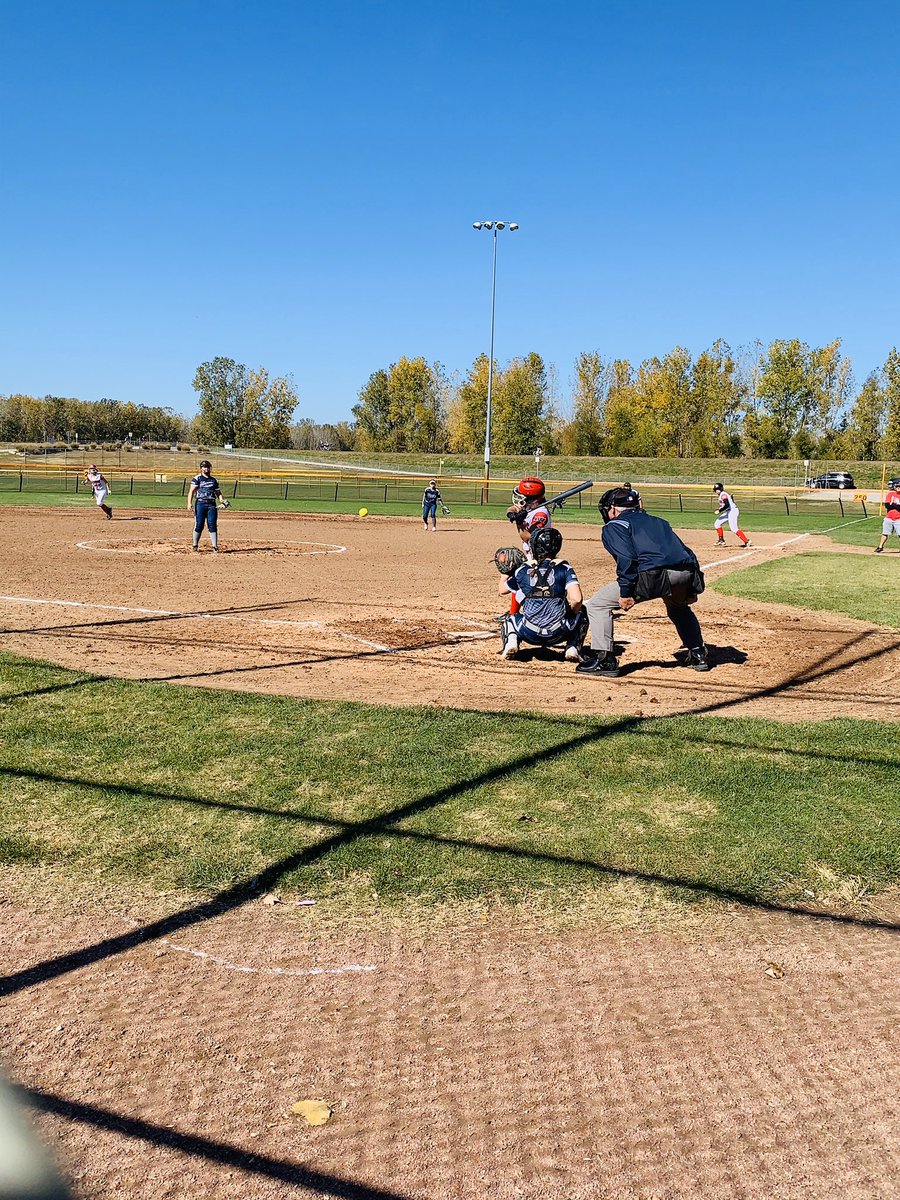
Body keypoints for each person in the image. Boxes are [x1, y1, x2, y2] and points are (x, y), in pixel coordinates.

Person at [577, 487, 710, 677]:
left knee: (598, 604)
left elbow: (626, 559)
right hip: (685, 574)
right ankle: (698, 654)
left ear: (613, 509)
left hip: (653, 576)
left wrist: (625, 592)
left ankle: (605, 660)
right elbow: (686, 552)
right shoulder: (659, 521)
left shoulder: (614, 526)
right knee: (679, 607)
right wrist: (692, 589)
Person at [498, 527, 587, 663]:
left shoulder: (523, 570)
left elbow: (503, 590)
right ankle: (572, 647)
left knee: (509, 618)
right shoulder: (565, 568)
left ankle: (511, 642)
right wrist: (571, 613)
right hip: (559, 632)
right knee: (583, 612)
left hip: (529, 632)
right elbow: (577, 599)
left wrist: (506, 573)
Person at [187, 459, 225, 553]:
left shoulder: (214, 480)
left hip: (211, 504)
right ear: (201, 468)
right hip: (200, 503)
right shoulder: (197, 478)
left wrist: (222, 501)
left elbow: (218, 492)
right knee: (199, 524)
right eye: (204, 467)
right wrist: (189, 503)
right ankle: (195, 545)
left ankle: (215, 547)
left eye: (207, 467)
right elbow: (191, 491)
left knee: (212, 524)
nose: (206, 469)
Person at [713, 483, 750, 547]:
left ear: (721, 489)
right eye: (715, 489)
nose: (717, 490)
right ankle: (721, 540)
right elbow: (728, 503)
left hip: (732, 511)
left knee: (734, 528)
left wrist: (719, 511)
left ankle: (746, 541)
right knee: (717, 524)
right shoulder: (722, 494)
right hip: (729, 511)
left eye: (718, 489)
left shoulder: (723, 494)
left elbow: (727, 505)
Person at [874, 480, 900, 553]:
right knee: (885, 533)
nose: (898, 488)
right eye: (897, 486)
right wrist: (896, 506)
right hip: (889, 517)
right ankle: (880, 547)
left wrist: (893, 505)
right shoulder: (890, 494)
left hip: (898, 518)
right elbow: (887, 505)